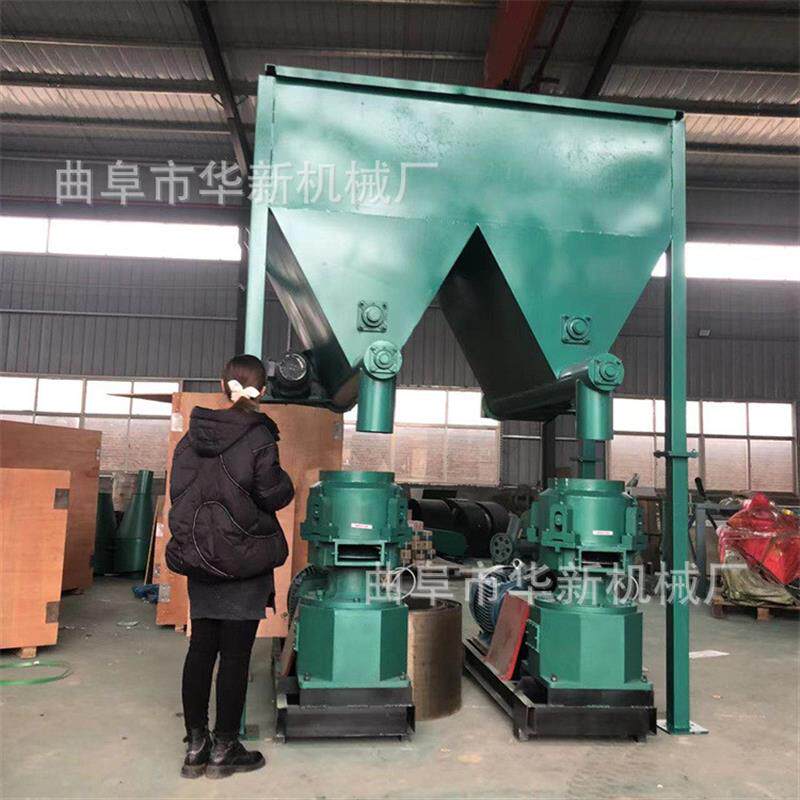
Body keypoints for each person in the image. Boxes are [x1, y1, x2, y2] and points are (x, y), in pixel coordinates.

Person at [167, 354, 294, 779]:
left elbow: (179, 493)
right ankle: (224, 749)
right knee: (236, 657)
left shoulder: (191, 438)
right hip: (244, 560)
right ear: (264, 391)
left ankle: (195, 747)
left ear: (223, 386)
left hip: (201, 558)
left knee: (200, 649)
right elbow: (273, 494)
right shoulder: (259, 437)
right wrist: (285, 481)